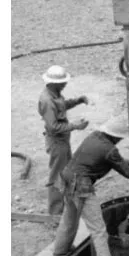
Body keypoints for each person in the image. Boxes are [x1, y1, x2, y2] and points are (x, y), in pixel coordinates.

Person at [52, 116, 129, 256]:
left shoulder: (94, 137)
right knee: (99, 230)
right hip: (81, 186)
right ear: (115, 136)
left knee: (69, 217)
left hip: (66, 178)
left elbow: (99, 158)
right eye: (120, 137)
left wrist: (125, 162)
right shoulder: (110, 150)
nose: (120, 140)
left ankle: (61, 249)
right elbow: (127, 172)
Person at [38, 65, 89, 216]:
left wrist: (78, 101)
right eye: (63, 82)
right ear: (53, 83)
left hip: (62, 141)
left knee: (67, 171)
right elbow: (53, 126)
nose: (65, 84)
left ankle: (67, 204)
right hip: (56, 142)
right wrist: (75, 126)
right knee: (57, 176)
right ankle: (55, 213)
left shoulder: (55, 94)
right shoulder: (47, 100)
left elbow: (62, 106)